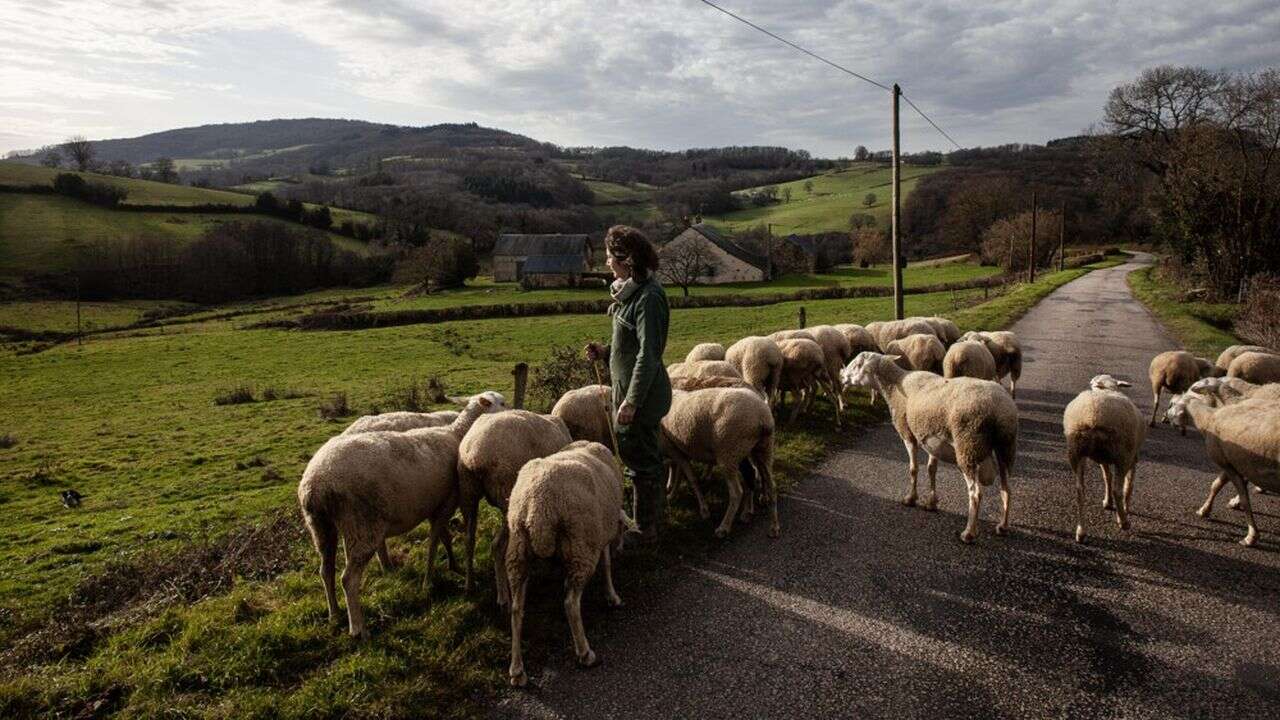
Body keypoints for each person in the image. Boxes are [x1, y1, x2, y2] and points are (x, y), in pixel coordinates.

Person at [585, 225, 671, 545]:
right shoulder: (629, 292)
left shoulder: (649, 298)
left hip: (642, 396)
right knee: (636, 458)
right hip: (628, 391)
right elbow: (630, 346)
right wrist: (606, 352)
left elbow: (649, 354)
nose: (607, 262)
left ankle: (646, 530)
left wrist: (632, 401)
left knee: (643, 461)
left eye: (610, 256)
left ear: (627, 259)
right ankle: (647, 522)